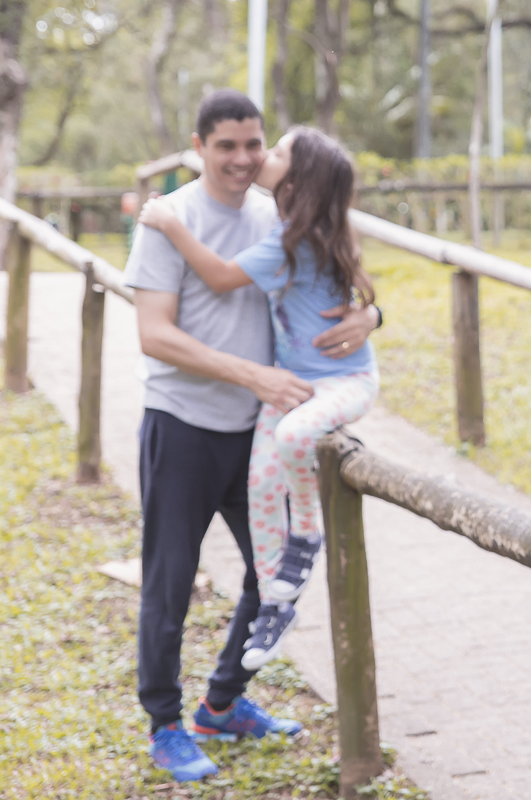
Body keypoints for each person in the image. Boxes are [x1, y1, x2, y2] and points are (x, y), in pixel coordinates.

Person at [125, 90, 380, 783]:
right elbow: (154, 335)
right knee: (170, 581)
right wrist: (254, 375)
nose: (242, 159)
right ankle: (165, 724)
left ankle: (222, 703)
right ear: (199, 147)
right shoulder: (169, 219)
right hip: (182, 425)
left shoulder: (278, 213)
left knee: (275, 574)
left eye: (253, 145)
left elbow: (338, 265)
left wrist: (372, 315)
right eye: (226, 146)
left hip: (259, 430)